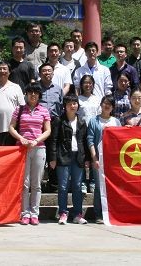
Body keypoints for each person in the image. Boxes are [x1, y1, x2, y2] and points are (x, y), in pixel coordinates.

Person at [9, 83, 51, 226]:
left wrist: (36, 140)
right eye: (30, 92)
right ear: (26, 94)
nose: (33, 95)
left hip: (39, 148)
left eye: (36, 92)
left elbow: (47, 130)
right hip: (22, 149)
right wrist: (21, 138)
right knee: (24, 183)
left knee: (36, 184)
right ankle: (25, 213)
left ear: (39, 95)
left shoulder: (44, 110)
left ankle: (34, 213)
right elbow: (11, 127)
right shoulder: (19, 109)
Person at [48, 94, 89, 225]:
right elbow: (53, 140)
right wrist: (53, 158)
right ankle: (63, 213)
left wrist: (87, 158)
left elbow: (84, 141)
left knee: (77, 186)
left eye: (75, 103)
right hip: (63, 156)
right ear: (65, 106)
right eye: (69, 104)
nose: (72, 106)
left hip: (78, 156)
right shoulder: (59, 121)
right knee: (63, 186)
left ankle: (77, 214)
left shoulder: (81, 121)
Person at [86, 95, 120, 224]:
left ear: (113, 107)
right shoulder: (94, 121)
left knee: (113, 187)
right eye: (105, 103)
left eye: (109, 104)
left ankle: (112, 212)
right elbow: (90, 140)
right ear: (101, 104)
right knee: (99, 187)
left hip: (113, 160)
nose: (107, 106)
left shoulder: (116, 122)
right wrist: (94, 158)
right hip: (99, 159)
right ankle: (99, 213)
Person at [0, 62, 25, 146]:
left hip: (13, 129)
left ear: (9, 72)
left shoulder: (16, 87)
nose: (2, 71)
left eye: (4, 69)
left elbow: (22, 108)